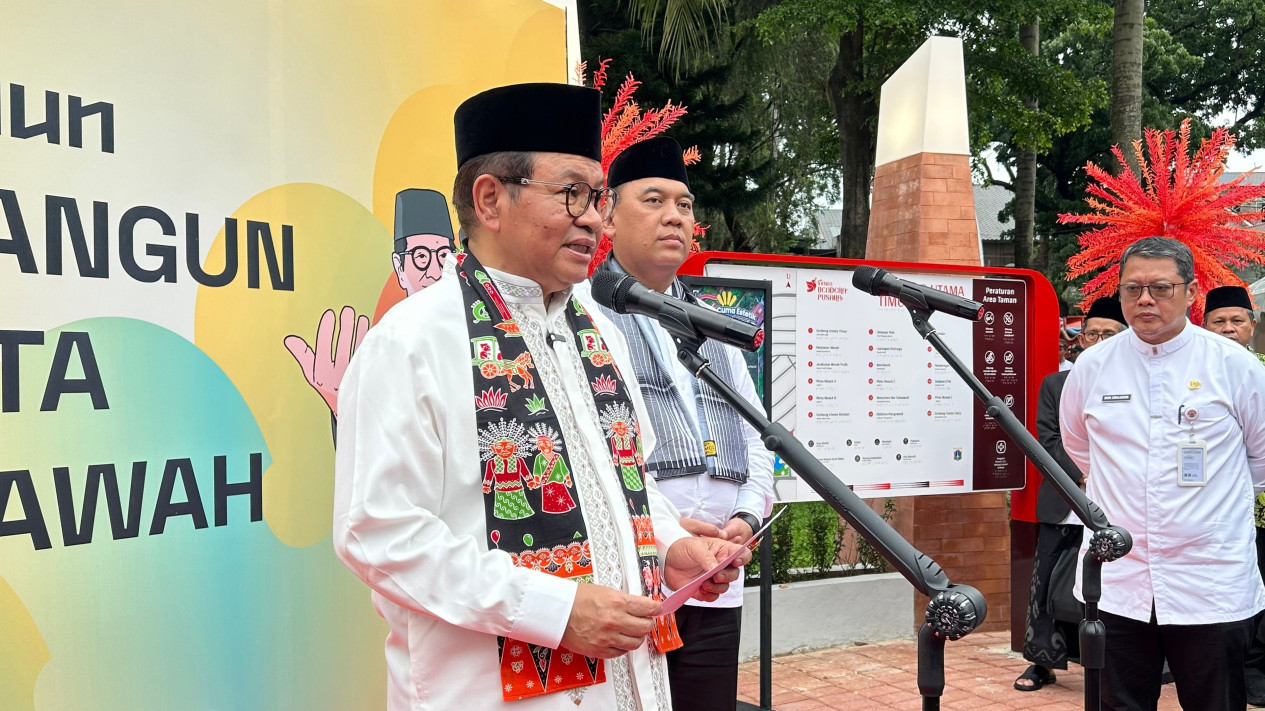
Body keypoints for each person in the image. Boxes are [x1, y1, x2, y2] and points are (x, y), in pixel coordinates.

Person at [331, 82, 751, 711]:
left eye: (597, 197)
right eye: (571, 193)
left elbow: (626, 486)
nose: (594, 219)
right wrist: (553, 609)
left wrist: (670, 549)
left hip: (632, 680)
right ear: (490, 200)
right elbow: (377, 532)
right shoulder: (413, 343)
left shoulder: (600, 333)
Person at [581, 136, 776, 711]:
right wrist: (665, 528)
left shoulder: (713, 324)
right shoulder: (582, 317)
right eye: (654, 200)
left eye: (685, 205)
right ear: (608, 216)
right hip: (634, 573)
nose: (675, 217)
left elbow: (757, 435)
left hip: (717, 574)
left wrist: (746, 517)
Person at [1060, 236, 1265, 710]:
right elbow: (1079, 449)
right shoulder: (1092, 366)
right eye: (1132, 289)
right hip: (1119, 578)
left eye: (1160, 288)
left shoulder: (1234, 365)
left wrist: (1207, 511)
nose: (1145, 300)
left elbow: (1260, 458)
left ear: (1191, 292)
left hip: (1209, 577)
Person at [1015, 297, 1127, 691]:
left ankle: (1115, 663)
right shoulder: (1056, 384)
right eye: (1091, 333)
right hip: (1065, 498)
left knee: (1113, 585)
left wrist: (1108, 477)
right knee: (1046, 582)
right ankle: (1041, 663)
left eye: (1108, 334)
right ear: (1080, 338)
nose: (1097, 341)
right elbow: (1046, 438)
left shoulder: (1134, 383)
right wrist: (1083, 475)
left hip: (1118, 502)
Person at [1202, 284, 1265, 706]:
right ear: (1203, 326)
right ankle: (1245, 671)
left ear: (1252, 325)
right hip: (1218, 515)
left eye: (1237, 320)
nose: (1228, 328)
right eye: (1218, 321)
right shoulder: (1196, 374)